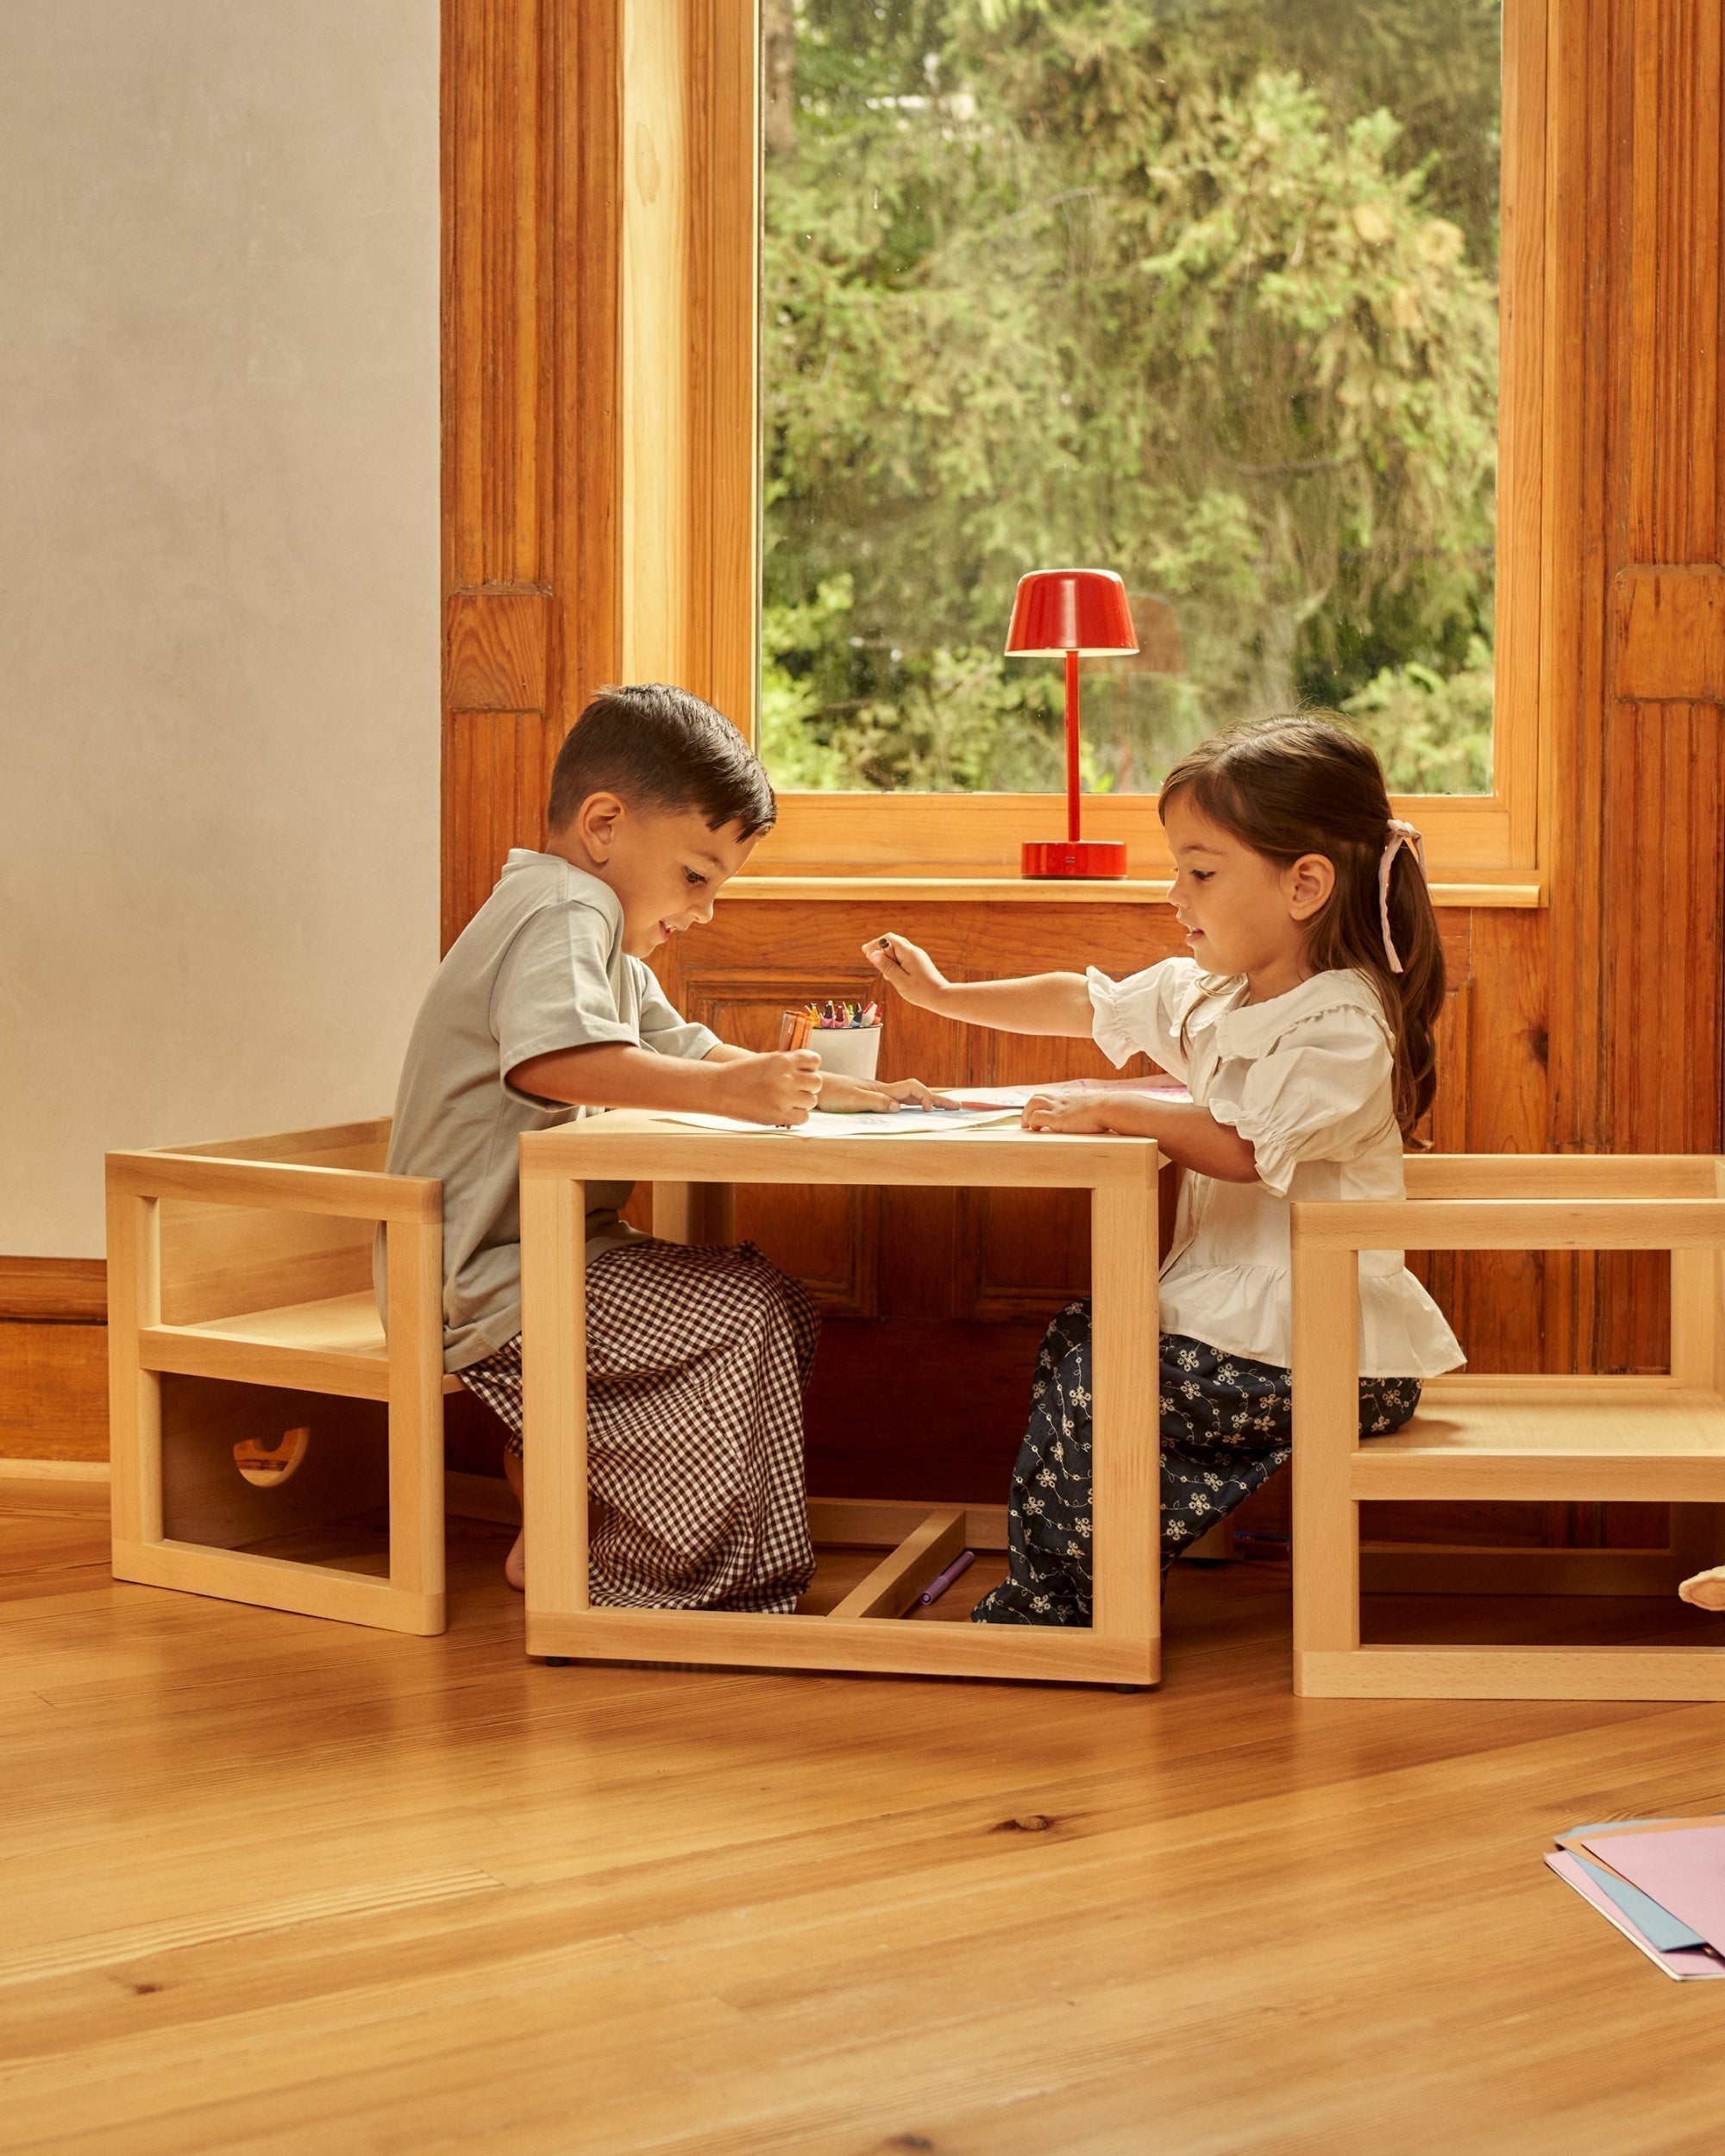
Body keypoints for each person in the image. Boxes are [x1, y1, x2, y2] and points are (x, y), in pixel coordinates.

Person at [863, 714, 1465, 1626]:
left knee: (1106, 1380)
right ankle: (1080, 1587)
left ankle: (1063, 1610)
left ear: (1304, 884)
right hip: (1255, 1330)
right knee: (1080, 1341)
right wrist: (943, 997)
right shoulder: (1220, 993)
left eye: (1200, 871)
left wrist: (1112, 1107)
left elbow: (1243, 1150)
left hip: (1332, 1345)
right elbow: (1088, 999)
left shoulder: (1340, 1023)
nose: (1172, 892)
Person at [384, 683, 946, 1606]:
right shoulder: (563, 909)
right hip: (480, 1279)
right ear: (603, 825)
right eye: (696, 875)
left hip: (545, 1257)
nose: (705, 909)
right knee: (745, 1306)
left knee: (773, 1304)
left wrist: (852, 1093)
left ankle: (579, 1532)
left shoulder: (594, 930)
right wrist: (729, 1092)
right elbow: (558, 1059)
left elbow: (686, 1047)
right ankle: (654, 1576)